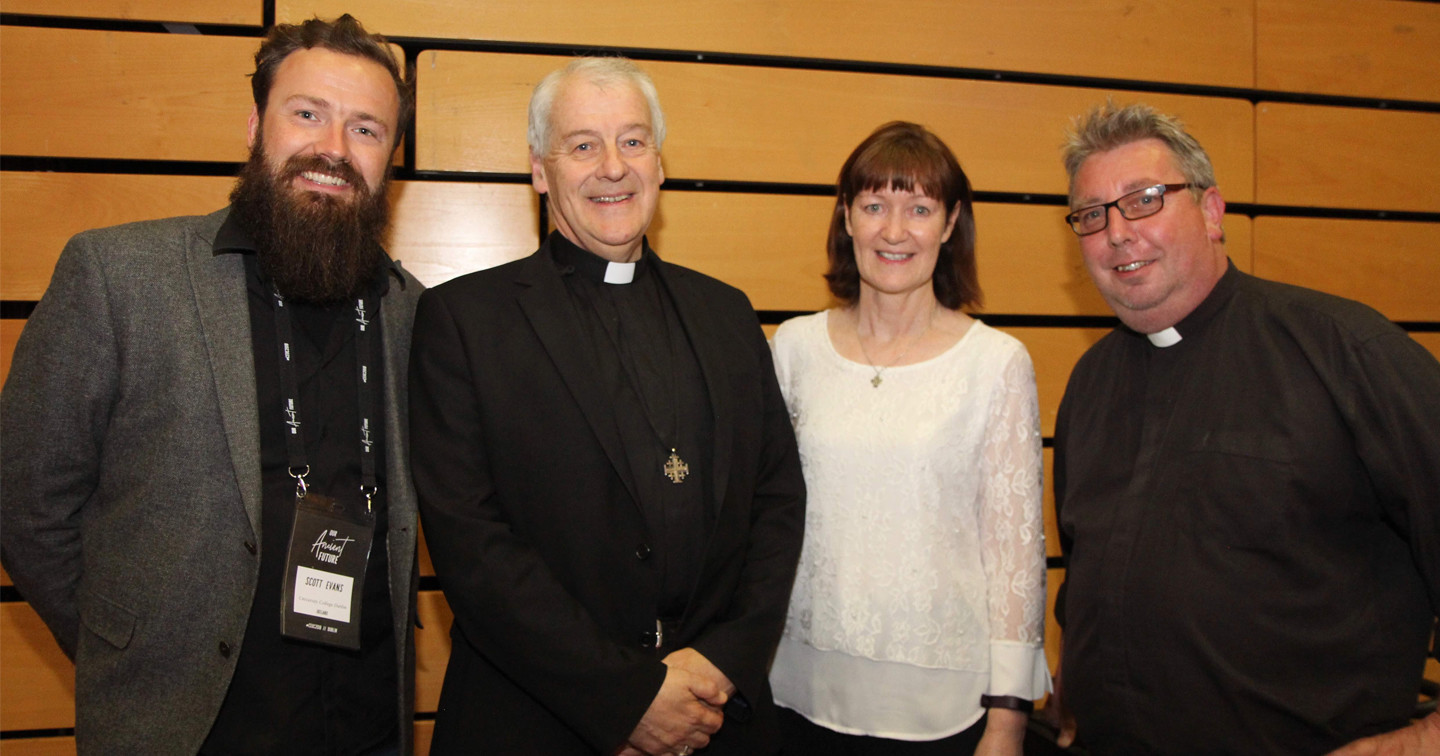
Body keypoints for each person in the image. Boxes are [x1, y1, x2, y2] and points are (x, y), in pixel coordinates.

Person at [0, 15, 421, 755]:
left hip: (363, 726)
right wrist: (125, 644)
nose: (332, 149)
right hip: (186, 730)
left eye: (366, 129)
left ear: (390, 156)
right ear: (255, 124)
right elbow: (24, 500)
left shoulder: (412, 311)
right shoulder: (121, 277)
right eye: (306, 114)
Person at [408, 56, 806, 756]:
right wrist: (626, 698)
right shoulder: (464, 322)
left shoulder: (728, 313)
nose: (612, 167)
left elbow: (777, 502)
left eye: (632, 140)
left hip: (716, 721)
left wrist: (718, 665)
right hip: (539, 721)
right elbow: (474, 550)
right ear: (540, 170)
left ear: (659, 162)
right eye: (582, 145)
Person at [1048, 101, 1440, 754]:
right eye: (1092, 215)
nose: (1116, 232)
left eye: (1144, 200)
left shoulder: (1345, 353)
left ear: (1211, 212)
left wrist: (1422, 742)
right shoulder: (1089, 385)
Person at [767, 121, 1049, 755]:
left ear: (950, 224)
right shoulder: (793, 349)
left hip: (946, 712)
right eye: (874, 206)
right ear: (846, 218)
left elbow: (1015, 557)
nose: (894, 232)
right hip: (797, 696)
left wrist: (1008, 721)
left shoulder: (996, 363)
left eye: (919, 209)